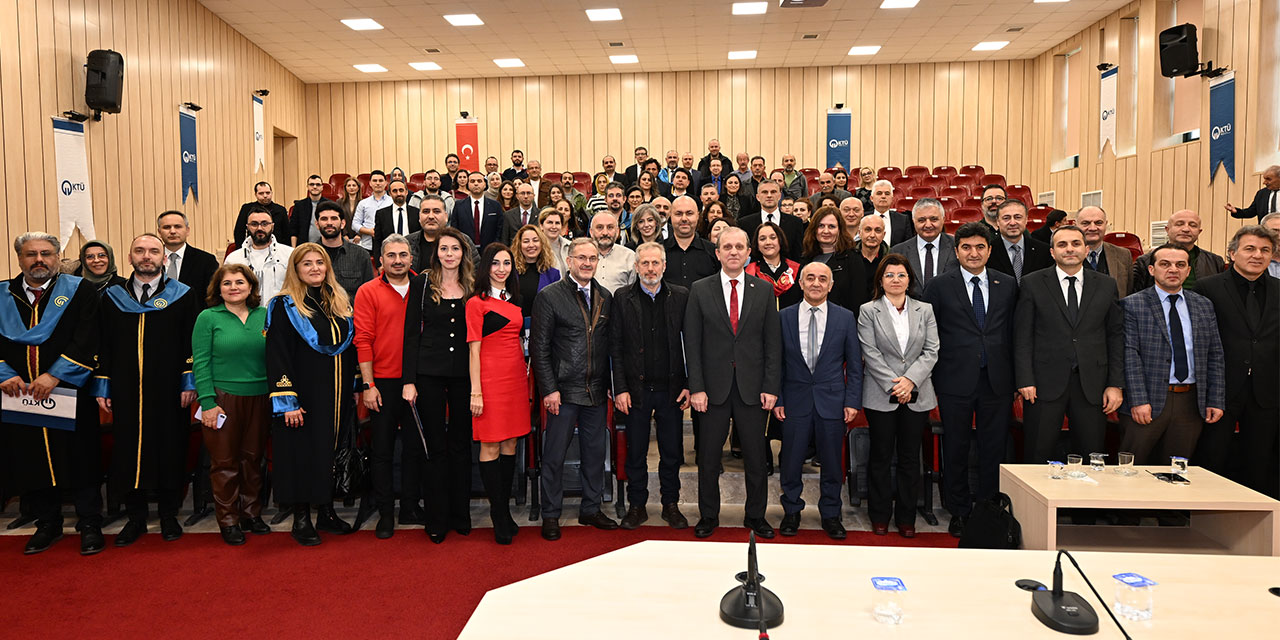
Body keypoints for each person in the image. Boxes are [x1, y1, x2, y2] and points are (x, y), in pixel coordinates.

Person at [95, 234, 200, 546]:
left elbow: (191, 342)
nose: (147, 256)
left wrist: (188, 379)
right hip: (126, 388)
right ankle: (135, 517)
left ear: (163, 259)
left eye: (154, 251)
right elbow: (102, 343)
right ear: (129, 258)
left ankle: (169, 515)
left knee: (170, 447)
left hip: (169, 388)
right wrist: (103, 383)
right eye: (139, 251)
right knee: (127, 450)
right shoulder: (112, 297)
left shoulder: (182, 295)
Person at [1, 233, 102, 555]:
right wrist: (4, 373)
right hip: (18, 394)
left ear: (58, 257)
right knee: (31, 458)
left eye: (46, 253)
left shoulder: (79, 291)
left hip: (69, 392)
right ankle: (48, 523)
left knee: (80, 457)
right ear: (19, 259)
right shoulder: (3, 295)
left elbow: (89, 338)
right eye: (31, 254)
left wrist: (55, 375)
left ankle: (89, 522)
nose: (39, 260)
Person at [685, 226, 782, 539]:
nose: (733, 252)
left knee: (756, 458)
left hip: (753, 389)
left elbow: (772, 344)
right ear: (718, 253)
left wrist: (771, 386)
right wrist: (696, 387)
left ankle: (756, 516)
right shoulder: (700, 290)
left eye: (740, 246)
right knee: (709, 458)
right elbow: (693, 343)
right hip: (711, 390)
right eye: (727, 246)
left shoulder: (764, 290)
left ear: (748, 252)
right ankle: (708, 516)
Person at [923, 222, 1018, 538]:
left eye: (980, 247)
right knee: (956, 446)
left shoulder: (1007, 284)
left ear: (990, 250)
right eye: (966, 247)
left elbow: (1013, 333)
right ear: (956, 250)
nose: (973, 253)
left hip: (997, 379)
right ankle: (959, 510)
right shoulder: (939, 286)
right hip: (954, 379)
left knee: (993, 448)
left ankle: (988, 508)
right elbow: (930, 334)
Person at [266, 244, 358, 546]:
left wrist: (355, 388)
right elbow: (277, 355)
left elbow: (350, 351)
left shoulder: (338, 301)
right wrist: (286, 400)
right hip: (303, 396)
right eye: (307, 264)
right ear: (296, 269)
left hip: (336, 395)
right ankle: (302, 518)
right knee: (302, 454)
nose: (315, 268)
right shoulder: (284, 306)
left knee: (330, 451)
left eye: (320, 263)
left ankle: (327, 512)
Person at [531, 238, 620, 540]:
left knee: (594, 454)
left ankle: (591, 508)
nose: (587, 263)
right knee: (554, 455)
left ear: (598, 262)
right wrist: (549, 389)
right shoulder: (549, 296)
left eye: (592, 258)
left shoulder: (606, 296)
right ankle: (551, 513)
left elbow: (610, 348)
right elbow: (539, 349)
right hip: (562, 391)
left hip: (595, 390)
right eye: (581, 257)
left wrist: (611, 384)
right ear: (568, 261)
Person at [1014, 226, 1125, 464]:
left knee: (1092, 454)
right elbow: (1022, 335)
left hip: (1092, 384)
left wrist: (1115, 384)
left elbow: (1115, 336)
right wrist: (1025, 379)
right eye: (1062, 245)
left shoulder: (1106, 285)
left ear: (1086, 249)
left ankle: (1083, 503)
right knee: (1037, 453)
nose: (1069, 249)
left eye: (1075, 244)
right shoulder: (1032, 283)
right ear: (1052, 252)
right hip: (1044, 384)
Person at [773, 262, 862, 540]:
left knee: (833, 464)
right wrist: (779, 399)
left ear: (830, 285)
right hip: (795, 400)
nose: (816, 283)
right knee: (791, 461)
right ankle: (791, 511)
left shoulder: (845, 317)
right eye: (810, 278)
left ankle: (831, 514)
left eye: (822, 279)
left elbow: (855, 364)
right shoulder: (784, 317)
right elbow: (776, 363)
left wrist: (852, 401)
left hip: (832, 401)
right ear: (800, 283)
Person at [1118, 243, 1226, 467]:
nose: (1173, 270)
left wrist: (1215, 398)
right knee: (1132, 469)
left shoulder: (1203, 305)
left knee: (1177, 472)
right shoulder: (1132, 305)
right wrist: (1138, 400)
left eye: (1180, 265)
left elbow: (1215, 354)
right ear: (1151, 269)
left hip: (1191, 402)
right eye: (1165, 264)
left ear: (1188, 271)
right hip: (1148, 400)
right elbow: (1130, 355)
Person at [401, 228, 476, 542]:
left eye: (455, 249)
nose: (449, 254)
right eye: (444, 248)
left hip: (463, 375)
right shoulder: (421, 283)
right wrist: (408, 380)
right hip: (428, 374)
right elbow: (410, 334)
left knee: (460, 445)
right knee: (434, 447)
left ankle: (461, 513)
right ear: (436, 253)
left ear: (463, 253)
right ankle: (437, 518)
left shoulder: (473, 285)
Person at [1193, 225, 1279, 497]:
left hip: (1268, 389)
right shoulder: (1208, 287)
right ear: (1231, 253)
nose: (1258, 255)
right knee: (1212, 457)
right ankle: (1206, 513)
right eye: (1250, 248)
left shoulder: (1279, 289)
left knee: (1260, 460)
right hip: (1222, 388)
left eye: (1265, 250)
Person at [611, 242, 691, 530]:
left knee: (671, 452)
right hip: (635, 392)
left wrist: (690, 384)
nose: (650, 269)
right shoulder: (621, 298)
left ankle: (670, 504)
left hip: (672, 390)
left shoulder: (681, 296)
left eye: (655, 263)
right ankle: (637, 505)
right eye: (644, 263)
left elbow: (692, 344)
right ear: (636, 267)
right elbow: (616, 347)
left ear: (664, 266)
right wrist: (620, 388)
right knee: (636, 453)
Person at [858, 254, 939, 538]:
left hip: (918, 394)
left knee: (909, 458)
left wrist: (910, 382)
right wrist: (896, 385)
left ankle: (906, 518)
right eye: (889, 275)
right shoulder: (868, 310)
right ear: (880, 280)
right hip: (882, 394)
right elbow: (870, 352)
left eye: (901, 275)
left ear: (909, 279)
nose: (895, 280)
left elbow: (931, 351)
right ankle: (879, 515)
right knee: (880, 456)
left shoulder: (924, 310)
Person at [192, 263, 271, 546]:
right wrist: (208, 402)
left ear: (251, 287)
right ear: (218, 288)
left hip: (261, 397)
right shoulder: (208, 317)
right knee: (224, 463)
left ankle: (251, 514)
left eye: (240, 282)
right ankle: (229, 520)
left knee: (252, 460)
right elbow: (200, 363)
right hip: (223, 398)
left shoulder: (265, 315)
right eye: (227, 283)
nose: (234, 287)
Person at [354, 235, 420, 539]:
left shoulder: (423, 288)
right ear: (380, 260)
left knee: (414, 450)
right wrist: (369, 385)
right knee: (382, 451)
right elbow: (363, 340)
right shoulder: (368, 291)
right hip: (381, 383)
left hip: (418, 382)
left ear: (411, 258)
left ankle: (409, 506)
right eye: (391, 255)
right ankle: (384, 512)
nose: (397, 260)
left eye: (403, 255)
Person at [1131, 210, 1225, 292]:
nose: (1186, 229)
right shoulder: (1145, 261)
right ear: (1167, 230)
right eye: (1179, 224)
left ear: (1199, 232)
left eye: (1193, 225)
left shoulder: (1215, 262)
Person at [800, 206, 867, 313]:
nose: (825, 231)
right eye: (821, 226)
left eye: (831, 226)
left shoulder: (852, 258)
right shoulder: (804, 258)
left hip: (840, 322)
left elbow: (858, 299)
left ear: (840, 229)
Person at [225, 206, 293, 303]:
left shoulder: (289, 255)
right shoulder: (233, 259)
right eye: (254, 224)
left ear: (272, 226)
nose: (259, 228)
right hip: (246, 314)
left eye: (265, 224)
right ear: (247, 227)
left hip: (280, 314)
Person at [157, 211, 220, 307]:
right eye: (167, 227)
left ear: (187, 230)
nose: (172, 231)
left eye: (178, 226)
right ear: (159, 232)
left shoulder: (206, 261)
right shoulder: (151, 260)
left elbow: (212, 296)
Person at [889, 199, 957, 286]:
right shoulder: (898, 252)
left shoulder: (957, 246)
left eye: (934, 219)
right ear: (913, 221)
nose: (928, 225)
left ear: (943, 219)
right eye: (921, 220)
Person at [314, 202, 374, 302]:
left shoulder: (361, 255)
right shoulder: (307, 255)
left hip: (351, 314)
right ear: (317, 224)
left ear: (342, 224)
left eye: (334, 218)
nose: (329, 223)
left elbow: (369, 294)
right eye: (324, 219)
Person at [985, 199, 1053, 285]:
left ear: (1026, 220)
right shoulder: (988, 252)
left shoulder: (1044, 251)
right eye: (1006, 218)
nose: (1012, 223)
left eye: (1018, 217)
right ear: (998, 221)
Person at [738, 180, 805, 262]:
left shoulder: (795, 222)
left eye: (773, 192)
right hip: (755, 272)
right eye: (765, 192)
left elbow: (798, 254)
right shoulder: (744, 223)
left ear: (779, 196)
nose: (769, 195)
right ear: (758, 197)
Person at [664, 196, 720, 291]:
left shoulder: (713, 251)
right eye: (678, 214)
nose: (684, 218)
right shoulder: (658, 252)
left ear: (698, 216)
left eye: (689, 213)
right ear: (670, 216)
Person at [1077, 205, 1134, 297]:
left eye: (1098, 223)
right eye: (1086, 223)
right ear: (1075, 225)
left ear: (1106, 224)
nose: (1092, 228)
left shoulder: (1123, 255)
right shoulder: (1065, 255)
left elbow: (1129, 292)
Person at [746, 221, 802, 309]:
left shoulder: (797, 270)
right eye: (762, 239)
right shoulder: (749, 273)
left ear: (780, 240)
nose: (768, 242)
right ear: (757, 244)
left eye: (773, 238)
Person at [511, 225, 562, 320]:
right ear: (519, 245)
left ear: (542, 243)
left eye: (535, 240)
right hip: (514, 328)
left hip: (543, 327)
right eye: (526, 241)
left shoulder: (553, 274)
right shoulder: (510, 273)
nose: (531, 245)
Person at [451, 171, 505, 248]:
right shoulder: (459, 205)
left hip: (490, 249)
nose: (476, 184)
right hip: (466, 249)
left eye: (479, 181)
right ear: (468, 184)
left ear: (485, 184)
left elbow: (500, 229)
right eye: (472, 181)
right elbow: (455, 229)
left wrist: (494, 247)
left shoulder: (495, 206)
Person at [589, 210, 637, 294]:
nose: (605, 233)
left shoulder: (629, 257)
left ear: (617, 231)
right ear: (591, 232)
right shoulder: (582, 257)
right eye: (599, 227)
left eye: (610, 227)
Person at [373, 179, 420, 260]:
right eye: (395, 191)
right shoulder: (381, 214)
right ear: (390, 194)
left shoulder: (417, 212)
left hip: (413, 258)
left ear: (406, 192)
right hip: (390, 258)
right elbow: (377, 241)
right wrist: (379, 264)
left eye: (401, 190)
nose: (398, 193)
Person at [233, 181, 291, 246]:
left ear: (272, 193)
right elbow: (239, 231)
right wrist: (241, 249)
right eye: (261, 193)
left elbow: (287, 233)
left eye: (268, 193)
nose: (265, 196)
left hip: (276, 248)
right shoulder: (246, 209)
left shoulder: (281, 210)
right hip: (253, 247)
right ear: (255, 194)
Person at [352, 170, 391, 251]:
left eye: (380, 180)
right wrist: (369, 231)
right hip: (367, 245)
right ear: (370, 183)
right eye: (374, 180)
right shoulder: (363, 203)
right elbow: (355, 224)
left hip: (389, 245)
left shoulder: (392, 202)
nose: (378, 183)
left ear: (386, 183)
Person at [867, 179, 913, 245]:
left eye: (887, 193)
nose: (883, 196)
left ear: (892, 199)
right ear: (871, 198)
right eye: (879, 193)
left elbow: (908, 245)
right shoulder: (863, 218)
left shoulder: (903, 220)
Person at [290, 174, 333, 246]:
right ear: (307, 187)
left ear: (322, 187)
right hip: (304, 246)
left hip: (326, 246)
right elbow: (294, 230)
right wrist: (293, 249)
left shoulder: (330, 205)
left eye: (318, 184)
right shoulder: (299, 206)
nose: (315, 187)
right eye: (312, 184)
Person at [857, 214, 888, 299]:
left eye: (878, 230)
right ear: (859, 233)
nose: (872, 235)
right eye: (868, 230)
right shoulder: (848, 257)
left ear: (884, 234)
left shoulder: (891, 258)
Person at [541, 205, 573, 272]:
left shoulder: (570, 246)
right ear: (541, 226)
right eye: (550, 222)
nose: (554, 226)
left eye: (557, 223)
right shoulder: (536, 248)